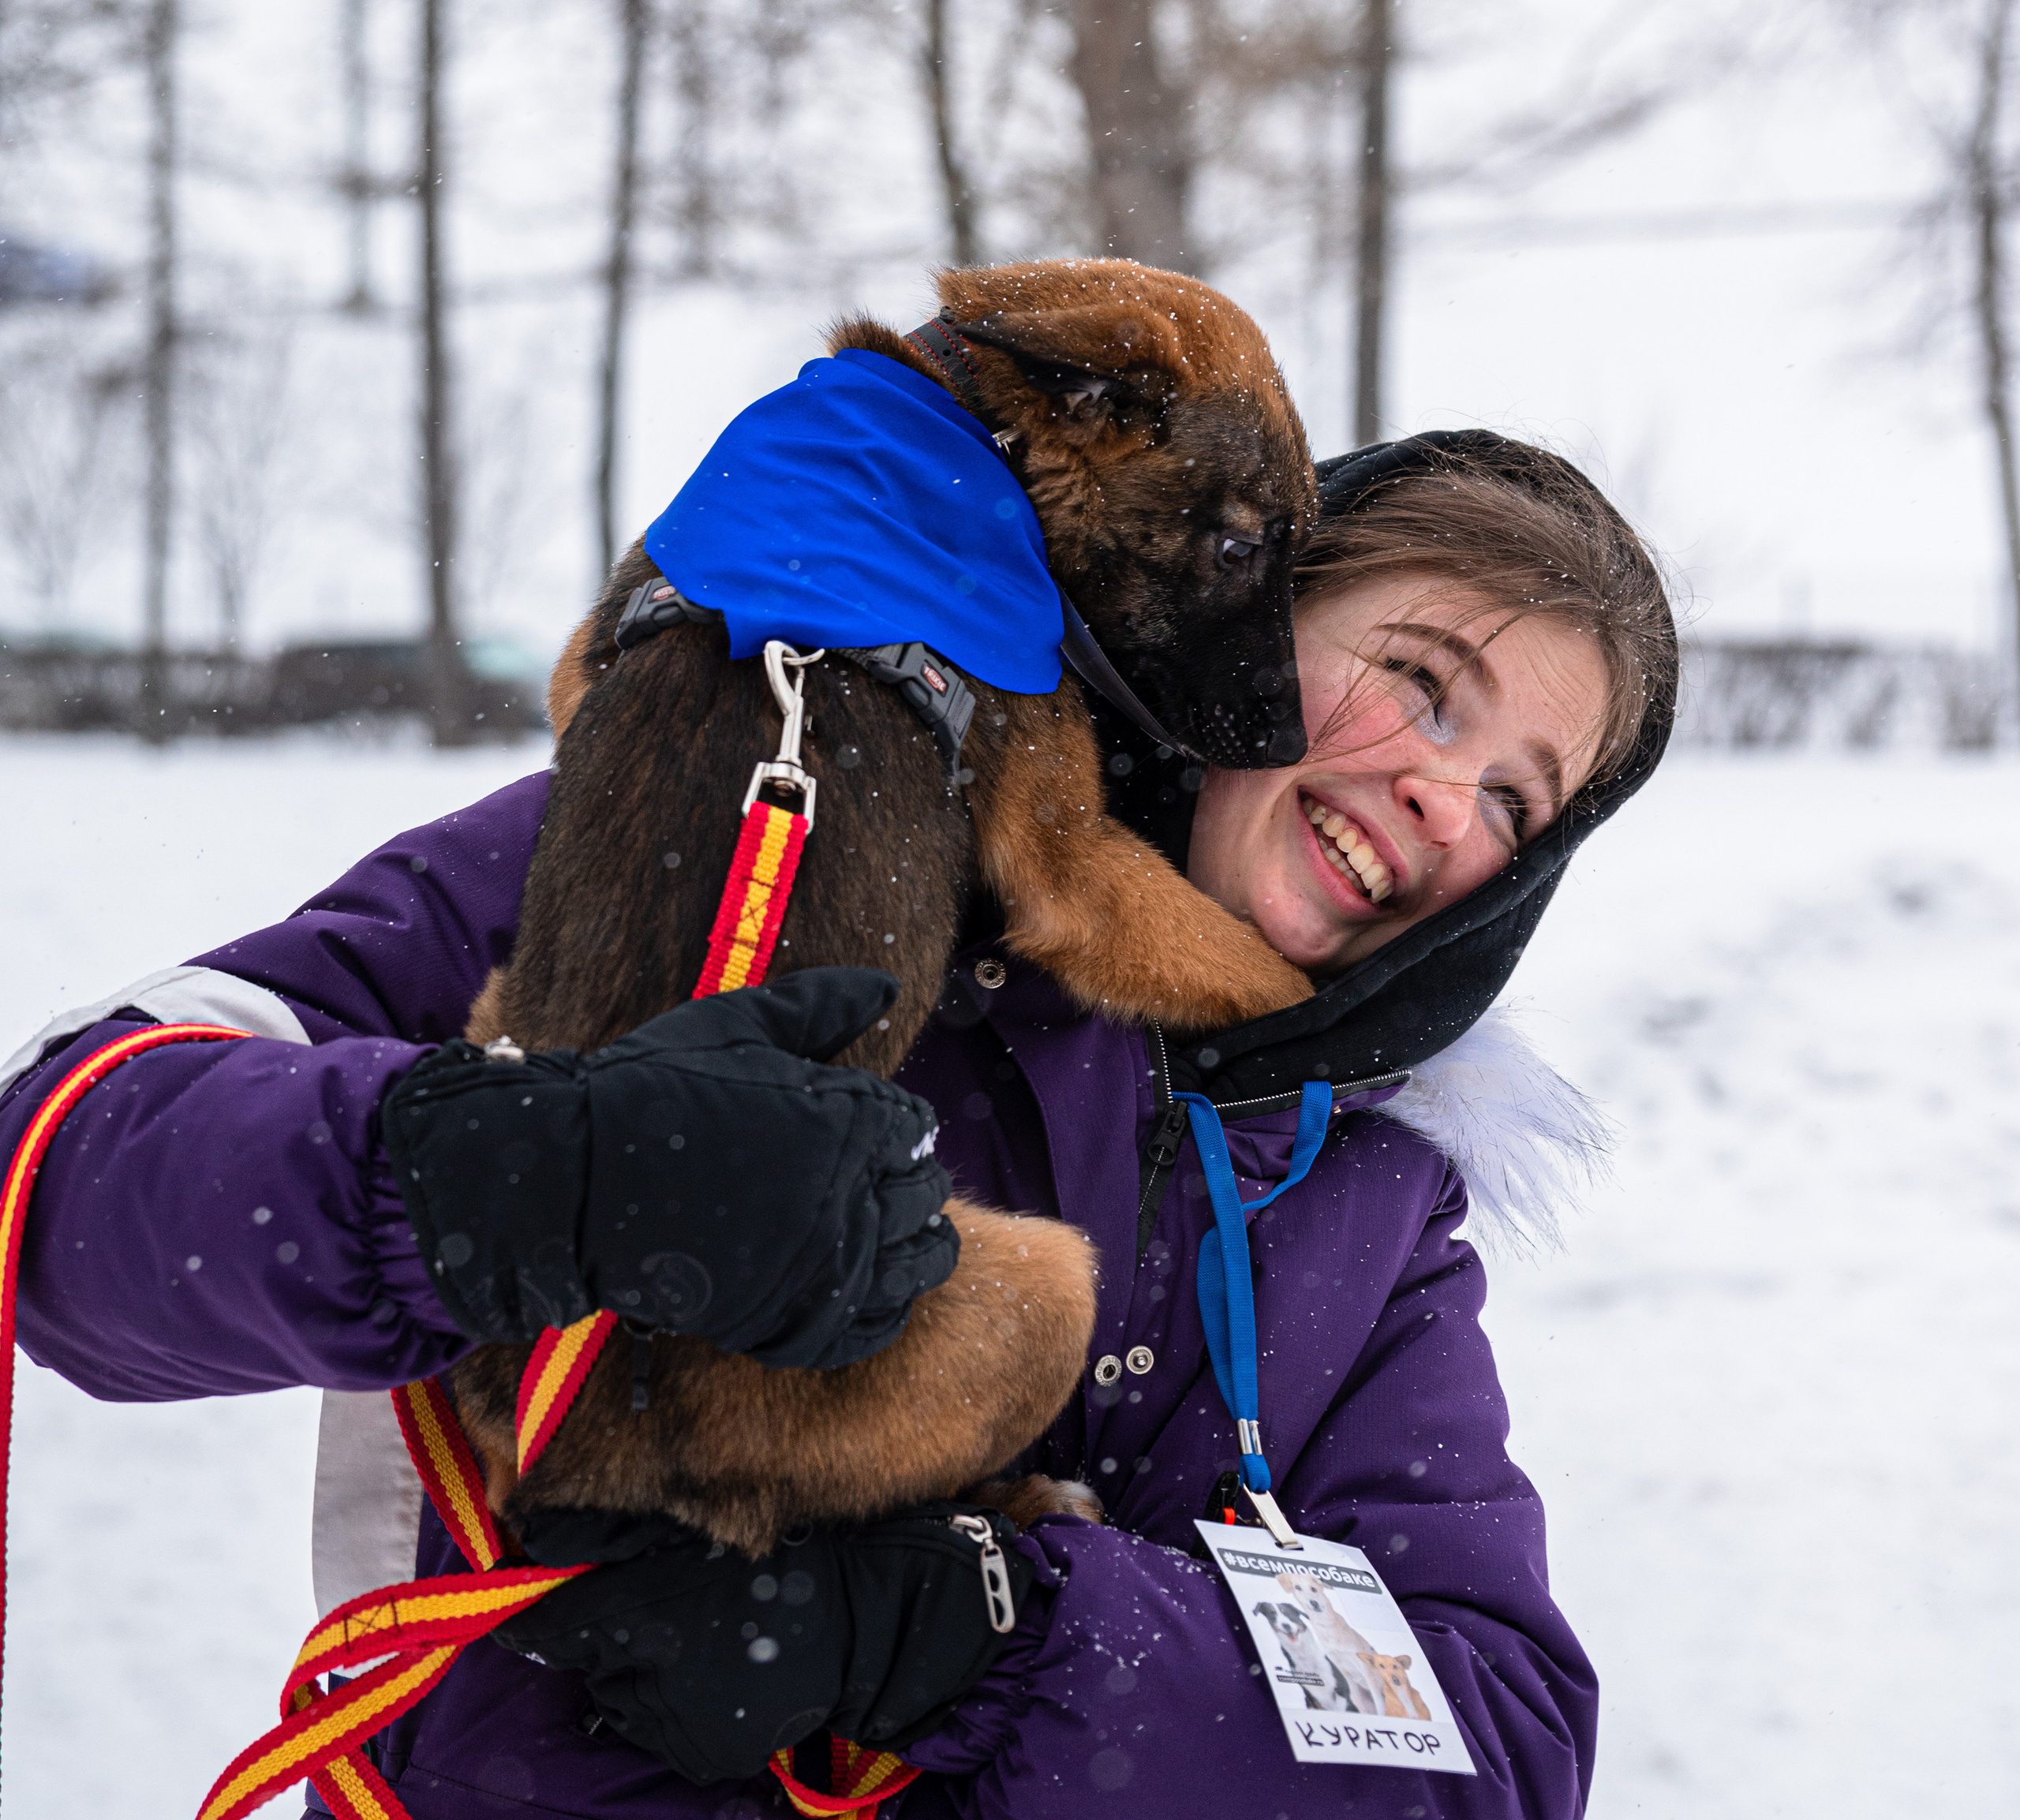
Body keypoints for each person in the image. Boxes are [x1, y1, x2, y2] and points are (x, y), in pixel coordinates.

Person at [0, 428, 1676, 1819]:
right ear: (1242, 631)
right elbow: (62, 1168)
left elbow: (1491, 1740)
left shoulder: (1370, 1207)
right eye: (1422, 685)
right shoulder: (745, 834)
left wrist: (978, 1626)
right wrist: (503, 1169)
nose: (1445, 801)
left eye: (1518, 799)